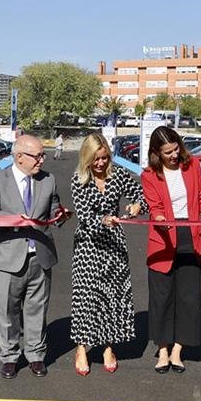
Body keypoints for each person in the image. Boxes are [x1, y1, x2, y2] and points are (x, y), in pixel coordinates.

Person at [0, 134, 70, 379]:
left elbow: (53, 209)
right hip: (8, 257)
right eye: (37, 156)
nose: (42, 159)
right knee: (8, 311)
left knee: (37, 309)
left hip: (40, 255)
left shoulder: (48, 180)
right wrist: (16, 221)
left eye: (43, 155)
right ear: (19, 157)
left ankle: (36, 355)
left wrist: (61, 215)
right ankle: (9, 356)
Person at [68, 133, 143, 376]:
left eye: (104, 158)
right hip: (89, 246)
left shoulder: (118, 174)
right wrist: (104, 219)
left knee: (113, 294)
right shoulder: (78, 179)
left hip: (114, 245)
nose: (101, 163)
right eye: (96, 159)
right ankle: (81, 347)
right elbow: (84, 215)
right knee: (86, 296)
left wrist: (136, 206)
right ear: (87, 158)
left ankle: (108, 346)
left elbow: (141, 195)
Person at [140, 126, 201, 374]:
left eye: (176, 148)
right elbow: (153, 204)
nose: (174, 155)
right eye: (167, 152)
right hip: (163, 239)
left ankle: (179, 350)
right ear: (157, 152)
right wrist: (158, 216)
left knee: (188, 296)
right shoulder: (149, 175)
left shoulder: (193, 167)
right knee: (161, 297)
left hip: (190, 235)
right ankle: (163, 350)